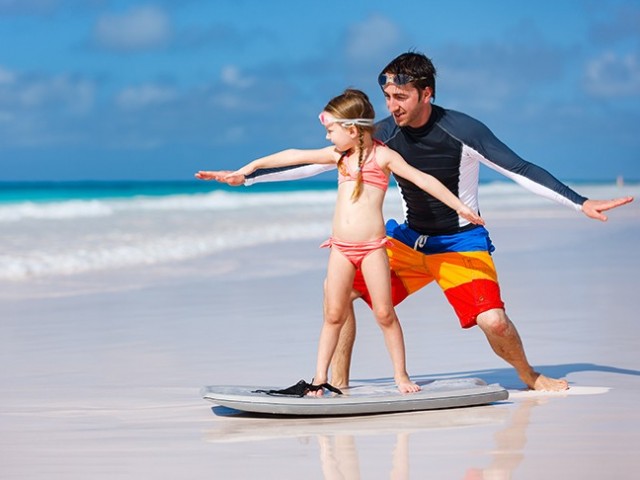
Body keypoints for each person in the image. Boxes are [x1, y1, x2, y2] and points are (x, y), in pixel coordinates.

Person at [198, 52, 634, 391]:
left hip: (459, 242)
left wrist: (580, 203)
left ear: (427, 93)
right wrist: (246, 176)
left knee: (494, 322)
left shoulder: (463, 131)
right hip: (408, 241)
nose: (392, 107)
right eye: (388, 97)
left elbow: (518, 168)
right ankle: (337, 384)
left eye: (401, 98)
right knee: (341, 293)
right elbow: (318, 161)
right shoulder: (383, 134)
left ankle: (529, 375)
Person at [197, 88, 485, 394]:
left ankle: (401, 376)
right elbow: (293, 155)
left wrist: (460, 207)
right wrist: (247, 170)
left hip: (373, 249)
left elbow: (423, 179)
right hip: (341, 250)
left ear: (352, 129)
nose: (327, 137)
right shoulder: (339, 156)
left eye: (331, 130)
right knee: (333, 315)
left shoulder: (383, 156)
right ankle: (319, 378)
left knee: (384, 314)